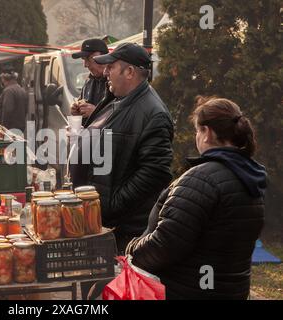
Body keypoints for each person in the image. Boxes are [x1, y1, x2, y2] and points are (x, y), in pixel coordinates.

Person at [125, 97, 266, 300]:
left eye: (197, 131)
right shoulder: (250, 178)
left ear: (207, 133)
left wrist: (132, 250)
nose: (197, 137)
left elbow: (165, 243)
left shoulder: (201, 179)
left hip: (188, 291)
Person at [80, 43, 174, 253]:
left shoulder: (153, 113)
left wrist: (113, 205)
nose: (105, 73)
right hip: (106, 222)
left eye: (111, 67)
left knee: (113, 283)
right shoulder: (118, 99)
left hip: (127, 229)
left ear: (130, 72)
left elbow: (154, 172)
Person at [71, 38, 113, 125]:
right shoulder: (89, 80)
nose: (85, 65)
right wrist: (76, 109)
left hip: (107, 137)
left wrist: (96, 113)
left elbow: (124, 117)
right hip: (88, 136)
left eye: (89, 59)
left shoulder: (116, 81)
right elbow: (81, 102)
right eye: (83, 59)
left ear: (103, 57)